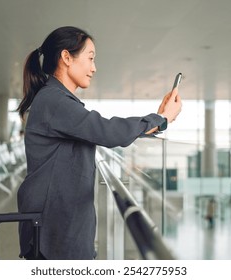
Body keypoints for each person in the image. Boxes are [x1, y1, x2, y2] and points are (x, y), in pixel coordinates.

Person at [16, 26, 182, 260]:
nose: (94, 68)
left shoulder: (55, 99)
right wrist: (162, 119)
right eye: (90, 58)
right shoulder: (54, 101)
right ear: (66, 57)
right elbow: (106, 131)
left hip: (55, 222)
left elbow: (100, 131)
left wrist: (157, 119)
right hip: (52, 229)